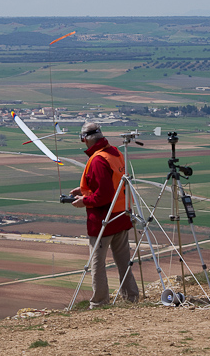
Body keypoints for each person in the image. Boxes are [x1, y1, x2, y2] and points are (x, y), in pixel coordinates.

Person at [70, 122, 139, 309]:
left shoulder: (98, 160)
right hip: (122, 215)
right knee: (124, 260)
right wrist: (84, 189)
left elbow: (104, 194)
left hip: (104, 220)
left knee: (97, 264)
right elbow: (112, 184)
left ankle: (99, 302)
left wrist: (84, 201)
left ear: (85, 138)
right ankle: (131, 297)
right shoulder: (115, 153)